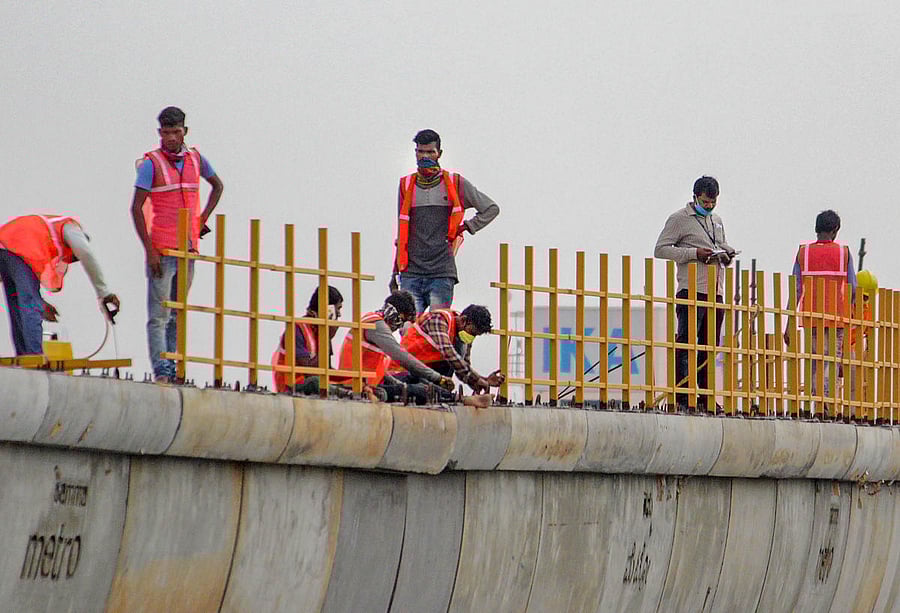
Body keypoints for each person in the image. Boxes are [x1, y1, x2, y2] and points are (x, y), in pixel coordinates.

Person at [130, 106, 224, 384]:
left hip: (187, 249)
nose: (171, 137)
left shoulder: (195, 159)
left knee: (177, 312)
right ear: (159, 133)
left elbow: (217, 186)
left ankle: (174, 367)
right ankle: (163, 370)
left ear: (185, 131)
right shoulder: (152, 164)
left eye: (176, 132)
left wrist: (201, 219)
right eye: (166, 132)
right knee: (159, 315)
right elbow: (136, 208)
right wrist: (149, 250)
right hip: (162, 249)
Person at [390, 129, 500, 314]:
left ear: (439, 154)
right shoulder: (406, 185)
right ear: (415, 152)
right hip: (411, 271)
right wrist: (395, 272)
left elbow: (490, 208)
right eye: (421, 151)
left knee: (436, 325)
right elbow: (402, 233)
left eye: (430, 152)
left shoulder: (454, 183)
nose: (425, 156)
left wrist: (467, 226)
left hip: (441, 271)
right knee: (409, 326)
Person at [654, 176, 735, 410]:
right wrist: (693, 254)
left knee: (710, 345)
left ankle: (706, 395)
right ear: (695, 197)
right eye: (705, 201)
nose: (709, 206)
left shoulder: (716, 221)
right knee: (687, 343)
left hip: (715, 290)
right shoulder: (679, 219)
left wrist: (726, 254)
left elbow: (721, 244)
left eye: (713, 202)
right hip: (691, 288)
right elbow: (661, 249)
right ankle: (684, 394)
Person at [0, 214, 119, 355]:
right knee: (29, 305)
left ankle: (24, 355)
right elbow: (86, 254)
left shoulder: (43, 240)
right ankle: (34, 356)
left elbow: (26, 290)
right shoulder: (70, 228)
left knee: (17, 305)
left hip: (5, 248)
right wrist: (104, 293)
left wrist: (40, 303)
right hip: (18, 247)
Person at [783, 210, 857, 410]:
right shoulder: (844, 253)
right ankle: (827, 403)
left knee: (815, 360)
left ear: (816, 229)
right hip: (837, 317)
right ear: (835, 230)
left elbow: (796, 289)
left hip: (811, 316)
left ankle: (816, 403)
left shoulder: (804, 252)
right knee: (831, 360)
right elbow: (853, 288)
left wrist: (789, 323)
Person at [334, 290, 455, 401]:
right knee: (422, 391)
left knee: (413, 378)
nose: (399, 327)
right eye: (402, 320)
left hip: (368, 382)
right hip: (358, 386)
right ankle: (451, 398)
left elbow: (379, 370)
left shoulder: (372, 320)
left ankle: (448, 395)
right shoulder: (376, 325)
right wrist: (438, 378)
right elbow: (402, 357)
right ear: (396, 314)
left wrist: (398, 383)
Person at [396, 304, 505, 394]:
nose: (472, 337)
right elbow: (449, 354)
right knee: (440, 388)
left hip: (424, 371)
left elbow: (462, 367)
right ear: (463, 320)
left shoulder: (463, 334)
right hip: (404, 371)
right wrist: (477, 379)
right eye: (472, 333)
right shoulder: (438, 319)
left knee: (445, 381)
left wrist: (482, 380)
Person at [272, 285, 343, 394]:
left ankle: (350, 391)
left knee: (354, 380)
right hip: (292, 386)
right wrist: (326, 338)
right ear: (328, 309)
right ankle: (346, 393)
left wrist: (348, 380)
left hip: (313, 381)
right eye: (337, 309)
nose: (339, 314)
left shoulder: (320, 330)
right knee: (315, 382)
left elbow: (326, 368)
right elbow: (309, 371)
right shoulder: (297, 329)